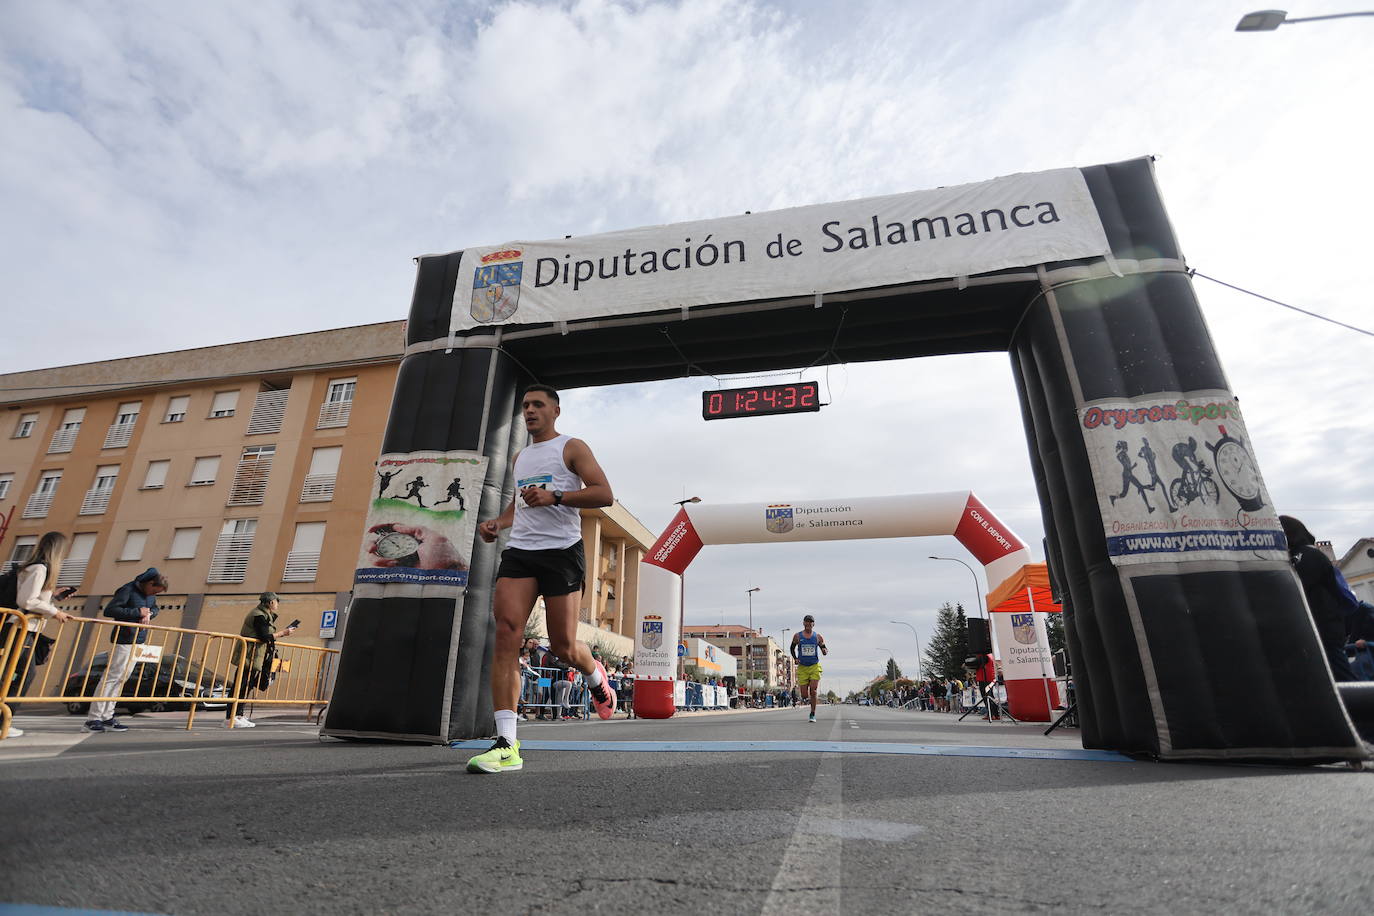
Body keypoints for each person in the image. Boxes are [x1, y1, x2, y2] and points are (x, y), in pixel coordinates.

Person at [466, 384, 616, 774]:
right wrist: (499, 523)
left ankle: (593, 673)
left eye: (537, 405)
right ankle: (506, 744)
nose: (530, 411)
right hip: (521, 552)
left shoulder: (572, 447)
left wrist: (557, 497)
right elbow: (520, 502)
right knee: (506, 633)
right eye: (525, 406)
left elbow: (604, 494)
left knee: (563, 646)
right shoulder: (520, 457)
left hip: (562, 552)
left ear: (555, 410)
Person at [4, 532, 75, 738]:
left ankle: (4, 719)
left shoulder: (36, 569)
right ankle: (3, 721)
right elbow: (27, 601)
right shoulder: (39, 569)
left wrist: (53, 597)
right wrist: (55, 612)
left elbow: (32, 598)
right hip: (19, 628)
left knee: (16, 674)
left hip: (24, 629)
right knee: (20, 675)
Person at [85, 567, 168, 733]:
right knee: (111, 678)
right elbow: (110, 610)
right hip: (124, 639)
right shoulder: (127, 589)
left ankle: (107, 716)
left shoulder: (150, 596)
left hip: (139, 640)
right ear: (150, 583)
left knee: (121, 679)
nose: (154, 595)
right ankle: (93, 718)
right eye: (154, 591)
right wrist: (137, 612)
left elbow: (155, 608)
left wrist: (150, 613)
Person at [1280, 515, 1357, 681]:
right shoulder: (1308, 554)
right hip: (1325, 627)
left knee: (1340, 676)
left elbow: (1299, 586)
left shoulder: (1305, 555)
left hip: (1322, 627)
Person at [227, 592, 297, 728]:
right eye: (276, 602)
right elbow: (264, 636)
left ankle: (238, 715)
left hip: (255, 654)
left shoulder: (264, 615)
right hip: (249, 653)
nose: (277, 605)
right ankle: (231, 717)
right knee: (241, 684)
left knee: (247, 685)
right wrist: (283, 633)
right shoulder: (258, 615)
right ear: (271, 602)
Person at [789, 614, 828, 723]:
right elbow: (792, 648)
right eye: (806, 621)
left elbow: (824, 647)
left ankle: (812, 713)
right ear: (803, 623)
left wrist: (824, 651)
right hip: (802, 668)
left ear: (813, 624)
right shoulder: (797, 636)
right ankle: (806, 698)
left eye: (810, 622)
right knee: (804, 694)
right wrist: (795, 658)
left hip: (814, 666)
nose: (808, 623)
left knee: (813, 691)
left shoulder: (818, 637)